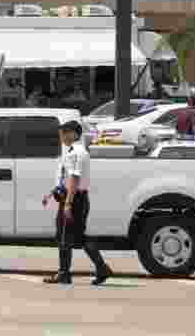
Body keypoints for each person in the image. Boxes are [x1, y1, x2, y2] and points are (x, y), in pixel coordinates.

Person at [41, 119, 111, 285]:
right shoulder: (74, 151)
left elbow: (74, 178)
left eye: (64, 133)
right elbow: (67, 179)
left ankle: (64, 273)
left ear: (73, 133)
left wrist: (68, 204)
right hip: (75, 198)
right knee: (78, 237)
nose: (62, 137)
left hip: (74, 199)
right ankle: (102, 269)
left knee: (65, 237)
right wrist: (51, 194)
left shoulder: (76, 153)